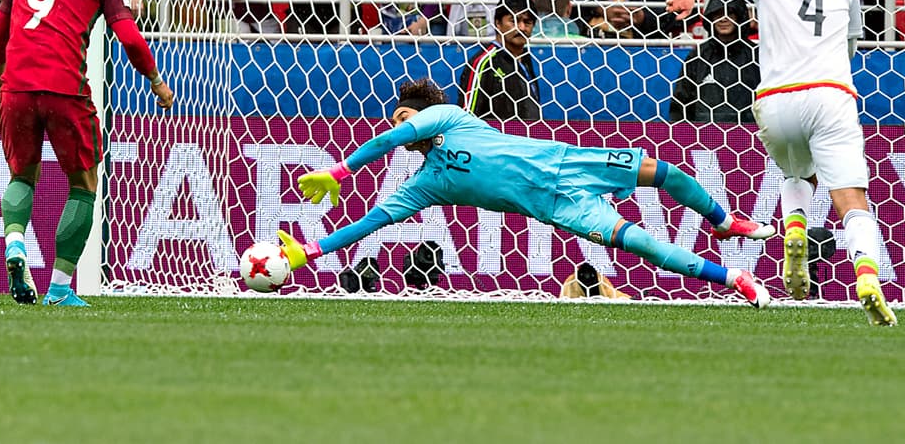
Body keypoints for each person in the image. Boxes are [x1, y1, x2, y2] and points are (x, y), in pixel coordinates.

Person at [273, 77, 777, 307]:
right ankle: (734, 278)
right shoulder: (428, 183)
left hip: (564, 161)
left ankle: (724, 221)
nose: (405, 128)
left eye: (406, 117)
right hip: (557, 206)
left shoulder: (449, 116)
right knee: (640, 244)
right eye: (402, 121)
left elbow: (389, 138)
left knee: (662, 170)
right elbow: (371, 223)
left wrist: (341, 170)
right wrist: (309, 251)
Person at [667, 0, 898, 326]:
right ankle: (866, 276)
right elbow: (852, 39)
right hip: (830, 93)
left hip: (775, 97)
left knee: (797, 174)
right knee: (851, 199)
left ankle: (794, 226)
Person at [0, 0, 174, 306]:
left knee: (21, 177)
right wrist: (156, 82)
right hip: (65, 89)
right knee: (84, 184)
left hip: (16, 87)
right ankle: (57, 289)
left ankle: (15, 241)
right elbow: (129, 37)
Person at [669, 0, 760, 123]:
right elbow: (681, 103)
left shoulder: (756, 55)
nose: (723, 19)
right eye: (717, 13)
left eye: (729, 13)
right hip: (706, 136)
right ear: (710, 18)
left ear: (739, 16)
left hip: (749, 134)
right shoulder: (698, 56)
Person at [460, 0, 542, 121]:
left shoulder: (526, 58)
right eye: (513, 20)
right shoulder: (484, 62)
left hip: (527, 138)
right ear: (498, 23)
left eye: (527, 22)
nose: (521, 27)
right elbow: (466, 117)